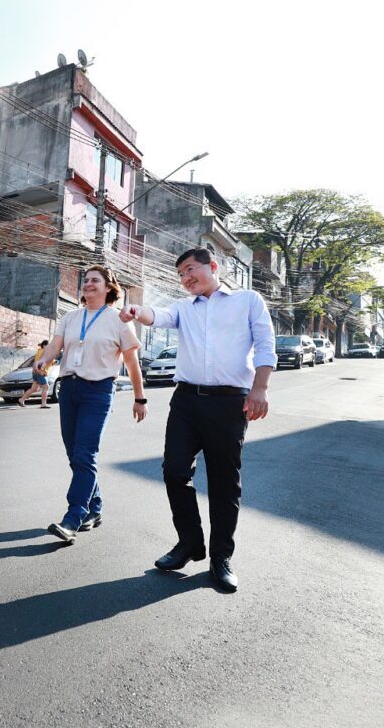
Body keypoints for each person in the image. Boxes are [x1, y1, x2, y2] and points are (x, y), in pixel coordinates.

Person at [119, 249, 275, 594]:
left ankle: (221, 558)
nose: (186, 278)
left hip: (230, 403)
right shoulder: (182, 308)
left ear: (213, 267)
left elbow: (265, 344)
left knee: (223, 483)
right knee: (174, 470)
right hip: (187, 400)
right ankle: (189, 543)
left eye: (190, 270)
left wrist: (260, 389)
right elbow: (155, 314)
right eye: (181, 274)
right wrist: (135, 310)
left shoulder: (247, 300)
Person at [33, 265, 146, 544]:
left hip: (98, 392)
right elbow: (56, 346)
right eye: (86, 281)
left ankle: (73, 518)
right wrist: (44, 360)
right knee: (76, 456)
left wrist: (139, 397)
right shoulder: (71, 317)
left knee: (85, 454)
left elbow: (131, 362)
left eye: (95, 280)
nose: (88, 285)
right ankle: (95, 508)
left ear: (109, 287)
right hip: (69, 389)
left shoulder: (118, 319)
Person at [19, 340, 55, 408]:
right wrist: (40, 371)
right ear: (44, 345)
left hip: (36, 372)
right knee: (46, 387)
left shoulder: (40, 351)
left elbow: (46, 361)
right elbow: (41, 362)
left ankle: (21, 399)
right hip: (40, 373)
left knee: (34, 389)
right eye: (48, 345)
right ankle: (43, 404)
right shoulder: (42, 352)